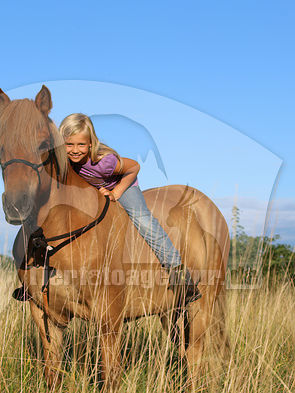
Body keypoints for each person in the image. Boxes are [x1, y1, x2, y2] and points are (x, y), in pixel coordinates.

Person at [59, 113, 200, 304]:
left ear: (91, 143)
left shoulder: (105, 161)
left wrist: (116, 192)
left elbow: (134, 168)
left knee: (143, 220)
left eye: (81, 145)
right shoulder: (63, 161)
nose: (75, 150)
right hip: (95, 188)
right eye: (69, 144)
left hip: (123, 185)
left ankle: (179, 273)